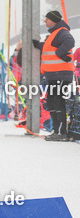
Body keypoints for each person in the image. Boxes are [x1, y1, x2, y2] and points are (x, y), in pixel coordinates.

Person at [33, 10, 75, 140]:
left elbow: (70, 41)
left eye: (47, 19)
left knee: (58, 102)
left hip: (61, 74)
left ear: (53, 20)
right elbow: (49, 48)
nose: (45, 21)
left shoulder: (62, 31)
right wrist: (38, 45)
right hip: (54, 74)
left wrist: (60, 53)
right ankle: (56, 131)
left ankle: (61, 133)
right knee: (52, 102)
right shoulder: (54, 34)